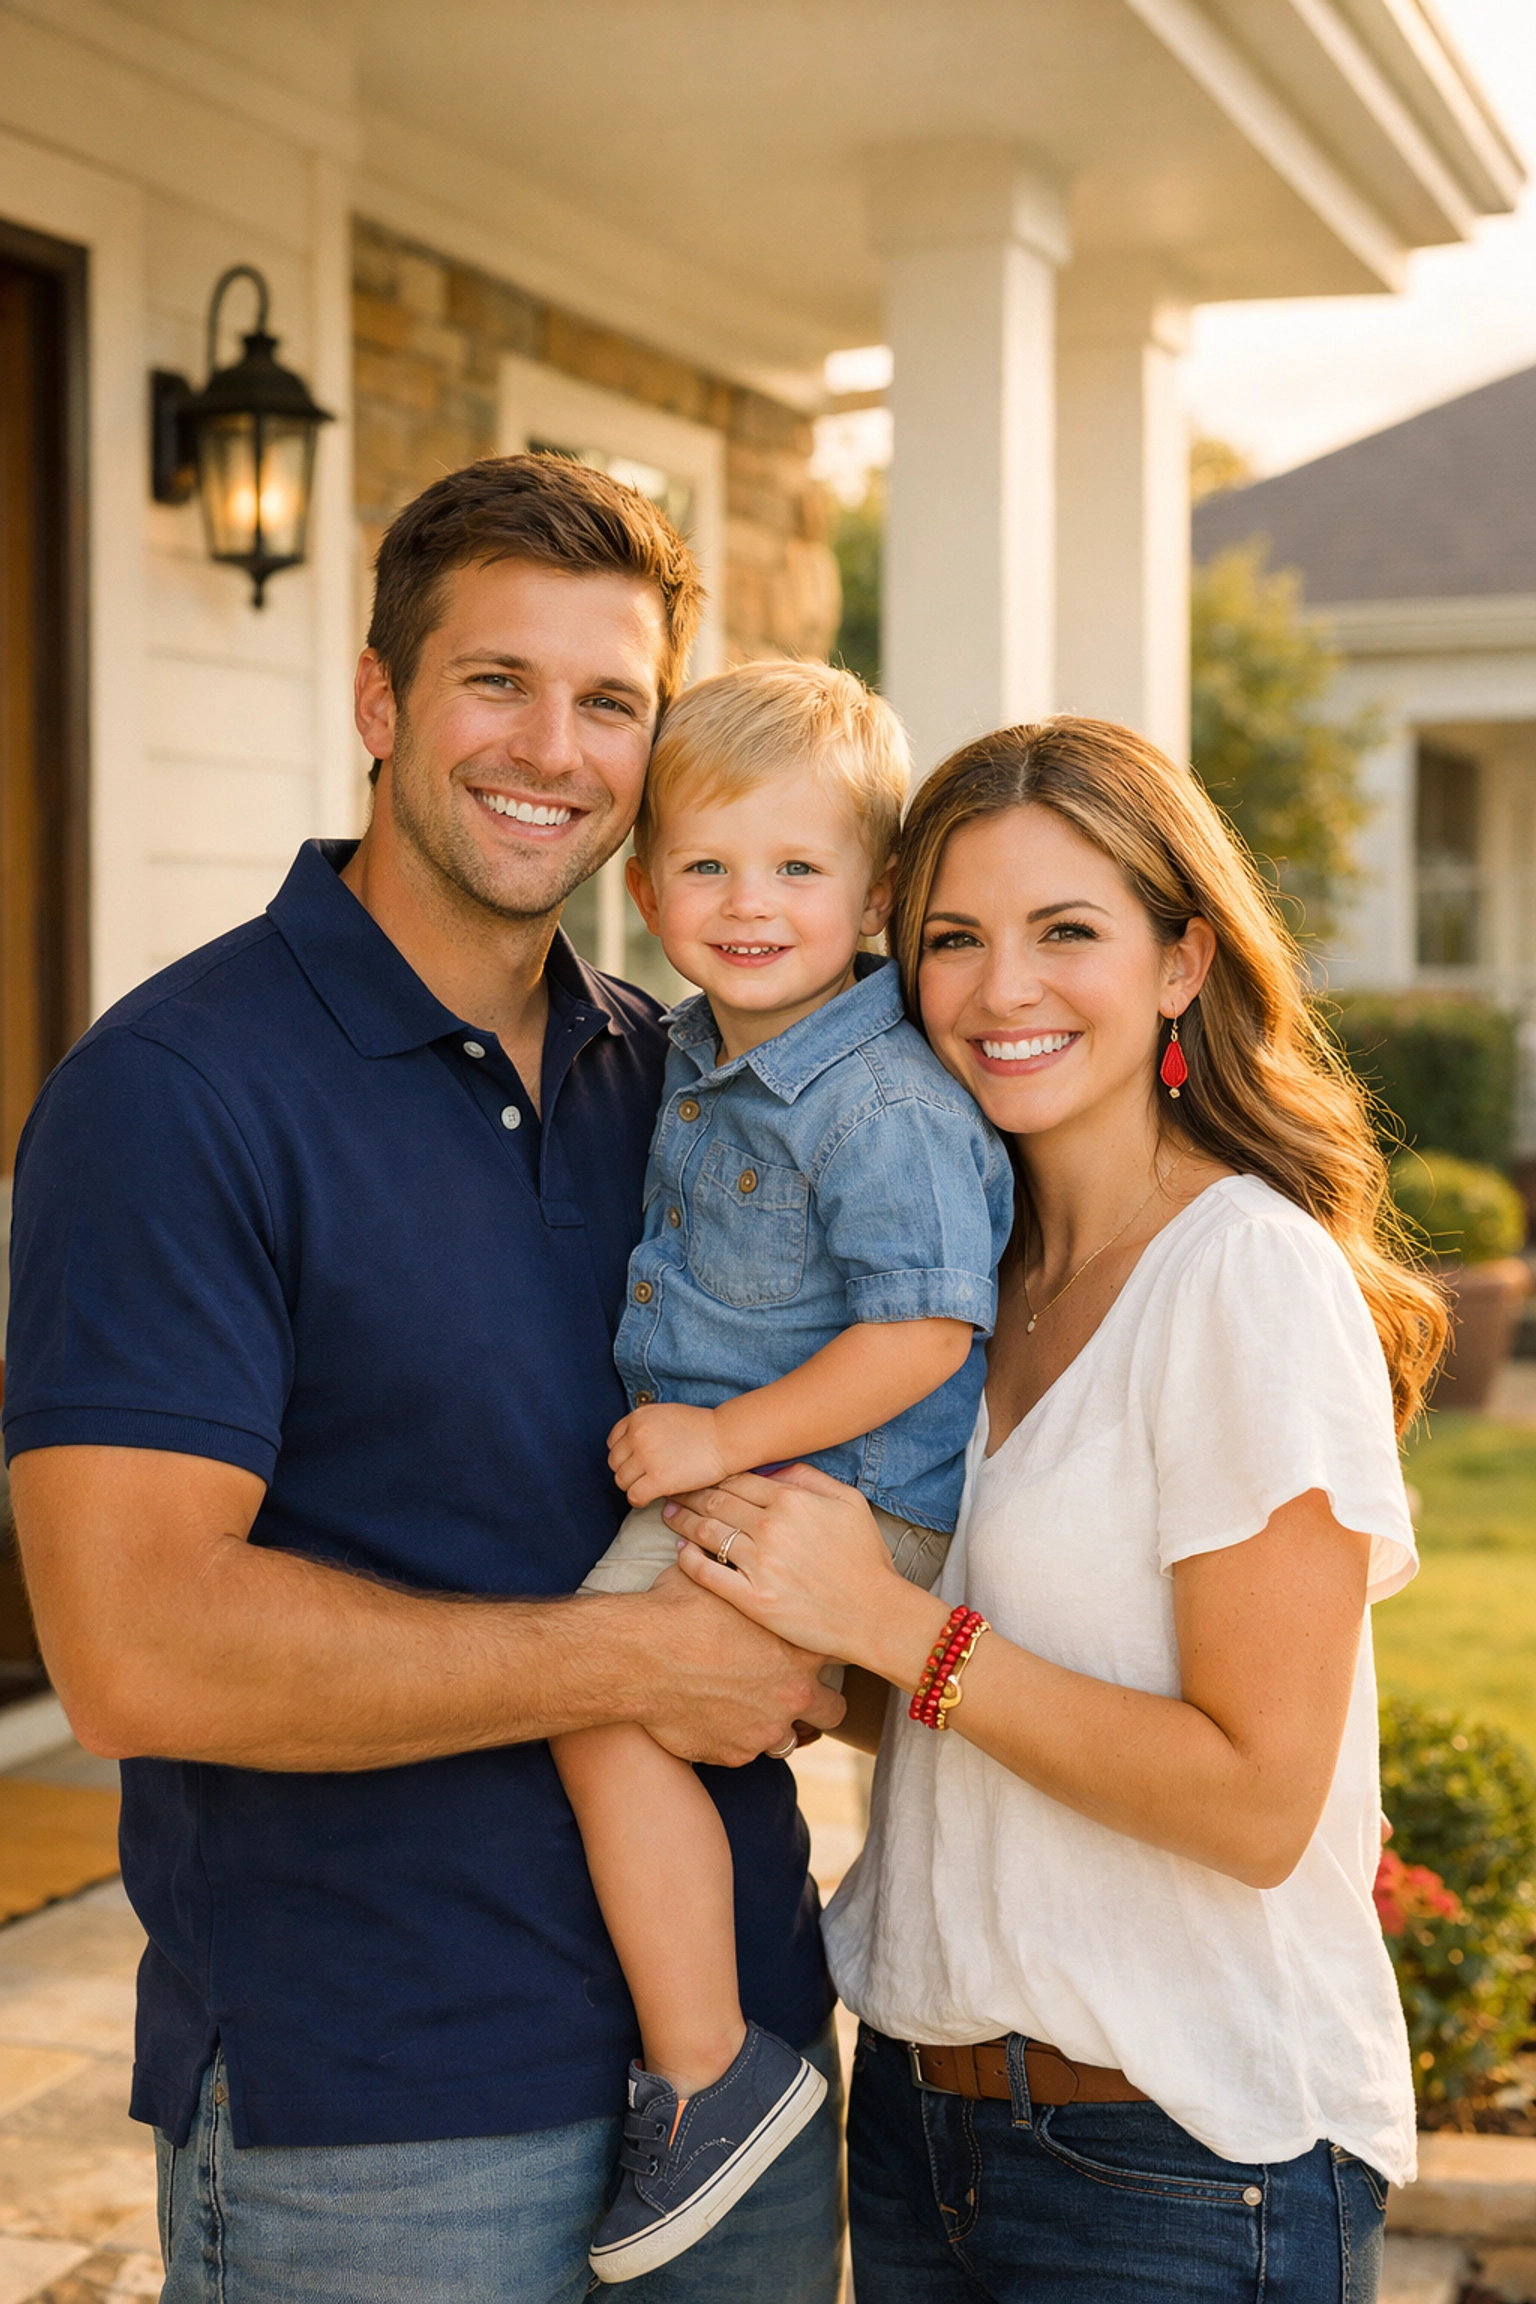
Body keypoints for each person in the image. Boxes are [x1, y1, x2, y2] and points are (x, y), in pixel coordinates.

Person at [4, 453, 849, 2304]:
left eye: (609, 700)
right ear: (382, 702)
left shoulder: (697, 1091)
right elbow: (134, 1643)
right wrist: (640, 1660)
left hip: (749, 2071)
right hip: (381, 2117)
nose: (552, 745)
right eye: (496, 682)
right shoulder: (177, 1095)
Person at [663, 716, 1446, 2304]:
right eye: (953, 938)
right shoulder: (955, 1293)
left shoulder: (1242, 1278)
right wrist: (788, 1662)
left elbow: (1252, 1799)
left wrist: (889, 1624)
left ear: (1181, 964)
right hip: (921, 2124)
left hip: (1178, 2162)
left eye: (1066, 932)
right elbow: (990, 1706)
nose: (1001, 989)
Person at [550, 661, 1013, 2283]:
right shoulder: (687, 1050)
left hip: (839, 1501)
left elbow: (925, 1336)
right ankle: (715, 2049)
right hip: (753, 1487)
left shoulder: (877, 1096)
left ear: (879, 893)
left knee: (596, 1697)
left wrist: (717, 1441)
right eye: (708, 866)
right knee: (606, 1707)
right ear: (644, 877)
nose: (751, 905)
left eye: (800, 869)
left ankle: (708, 2071)